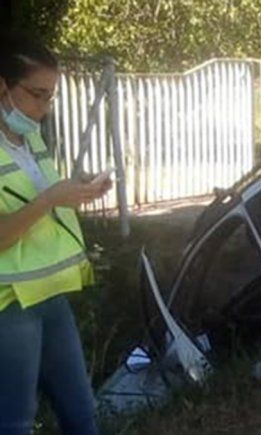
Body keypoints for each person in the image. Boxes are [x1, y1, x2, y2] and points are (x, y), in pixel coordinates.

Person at [0, 34, 111, 434]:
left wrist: (77, 190)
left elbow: (39, 199)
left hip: (50, 294)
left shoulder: (28, 139)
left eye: (51, 98)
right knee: (15, 422)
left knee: (82, 412)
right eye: (37, 94)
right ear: (2, 86)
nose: (44, 109)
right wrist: (51, 198)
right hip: (10, 304)